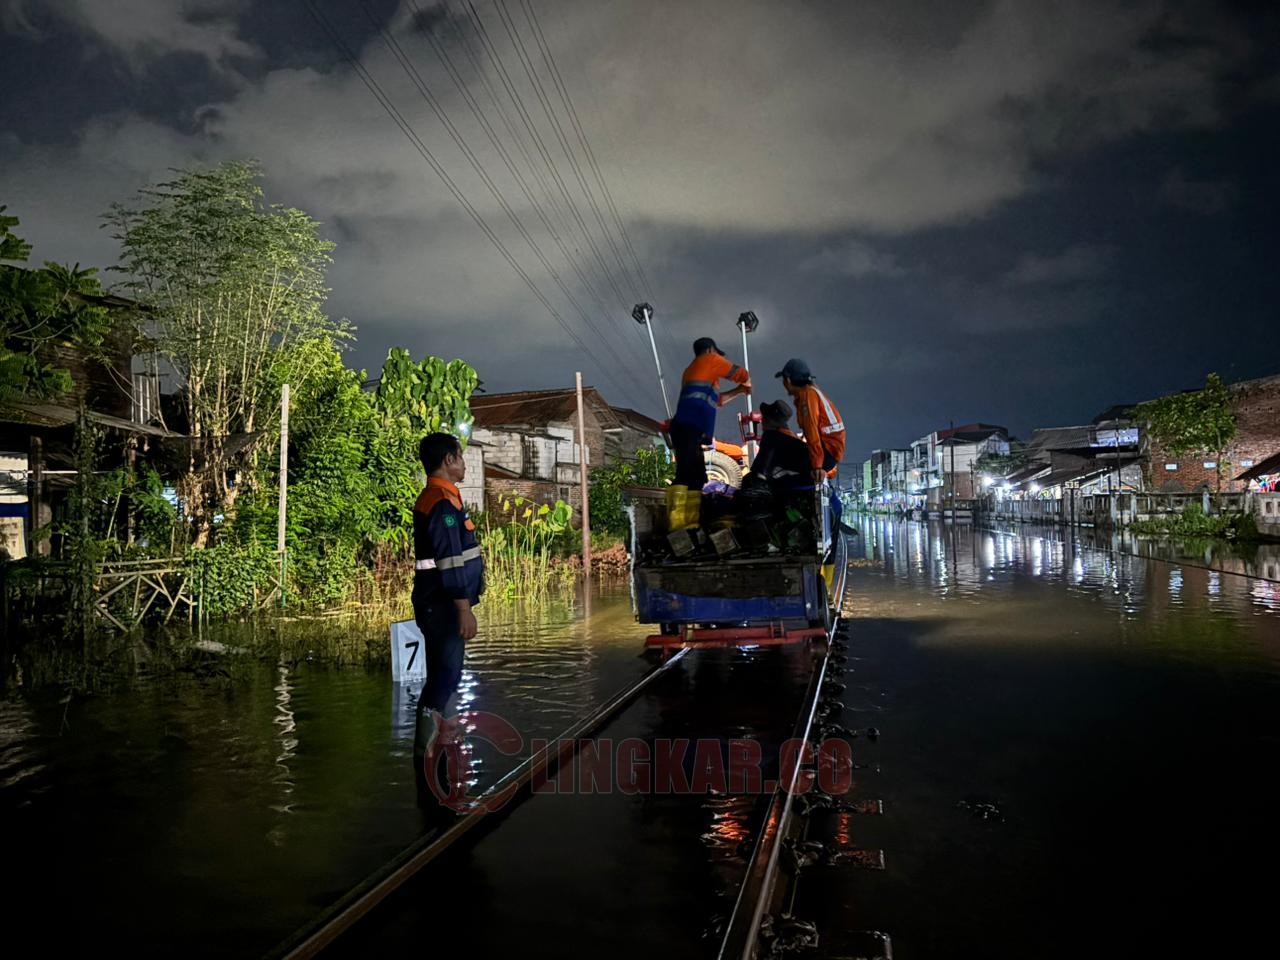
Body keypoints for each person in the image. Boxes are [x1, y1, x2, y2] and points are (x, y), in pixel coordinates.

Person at [412, 432, 485, 789]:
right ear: (448, 460)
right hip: (443, 605)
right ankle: (428, 751)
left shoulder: (441, 500)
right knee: (447, 674)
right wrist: (463, 609)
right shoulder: (442, 504)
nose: (464, 462)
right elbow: (451, 562)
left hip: (435, 603)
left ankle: (445, 738)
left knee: (444, 673)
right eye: (460, 456)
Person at [669, 337, 751, 490]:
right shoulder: (710, 359)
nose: (720, 358)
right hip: (689, 429)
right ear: (709, 351)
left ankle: (691, 513)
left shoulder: (692, 370)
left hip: (685, 430)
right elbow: (741, 374)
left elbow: (716, 400)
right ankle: (680, 513)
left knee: (696, 477)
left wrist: (739, 391)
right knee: (687, 479)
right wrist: (747, 383)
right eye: (717, 354)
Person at [776, 358, 846, 485]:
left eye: (784, 380)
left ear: (788, 380)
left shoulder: (807, 396)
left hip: (826, 454)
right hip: (829, 453)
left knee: (773, 442)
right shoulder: (811, 393)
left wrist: (817, 465)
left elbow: (811, 431)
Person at [747, 399, 812, 494]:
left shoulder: (771, 437)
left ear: (770, 420)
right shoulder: (786, 436)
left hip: (796, 482)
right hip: (803, 480)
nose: (761, 421)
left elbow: (760, 471)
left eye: (764, 417)